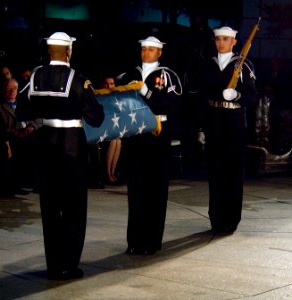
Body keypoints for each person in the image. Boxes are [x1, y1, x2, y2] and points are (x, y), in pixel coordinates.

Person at [27, 32, 104, 280]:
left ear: (50, 51)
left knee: (49, 208)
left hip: (46, 145)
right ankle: (69, 266)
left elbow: (22, 110)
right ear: (69, 51)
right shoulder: (80, 81)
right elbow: (96, 117)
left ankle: (53, 265)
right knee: (73, 209)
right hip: (72, 148)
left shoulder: (36, 77)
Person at [116, 36, 182, 255]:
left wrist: (148, 93)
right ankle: (134, 241)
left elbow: (171, 105)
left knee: (155, 189)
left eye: (151, 50)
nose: (146, 53)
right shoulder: (131, 74)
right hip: (136, 135)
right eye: (144, 49)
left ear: (160, 52)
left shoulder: (168, 76)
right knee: (136, 189)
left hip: (157, 134)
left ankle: (151, 242)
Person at [195, 26, 257, 234]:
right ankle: (216, 218)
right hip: (214, 120)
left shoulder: (243, 64)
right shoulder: (207, 65)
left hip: (233, 121)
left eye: (225, 39)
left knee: (232, 171)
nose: (220, 43)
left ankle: (231, 219)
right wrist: (201, 127)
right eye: (218, 39)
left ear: (234, 42)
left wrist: (237, 95)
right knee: (215, 171)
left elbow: (252, 96)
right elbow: (202, 98)